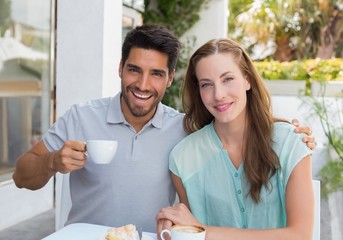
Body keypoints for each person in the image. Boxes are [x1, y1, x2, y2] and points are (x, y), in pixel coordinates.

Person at [12, 25, 314, 233]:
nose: (143, 85)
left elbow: (229, 118)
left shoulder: (183, 128)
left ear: (169, 78)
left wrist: (286, 131)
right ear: (120, 68)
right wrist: (52, 162)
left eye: (156, 74)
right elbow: (21, 175)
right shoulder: (80, 117)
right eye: (134, 70)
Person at [156, 38, 314, 240]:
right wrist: (173, 225)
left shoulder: (290, 143)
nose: (218, 94)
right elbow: (188, 231)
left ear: (247, 79)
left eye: (227, 79)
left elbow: (300, 235)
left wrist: (204, 231)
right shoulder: (182, 157)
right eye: (206, 84)